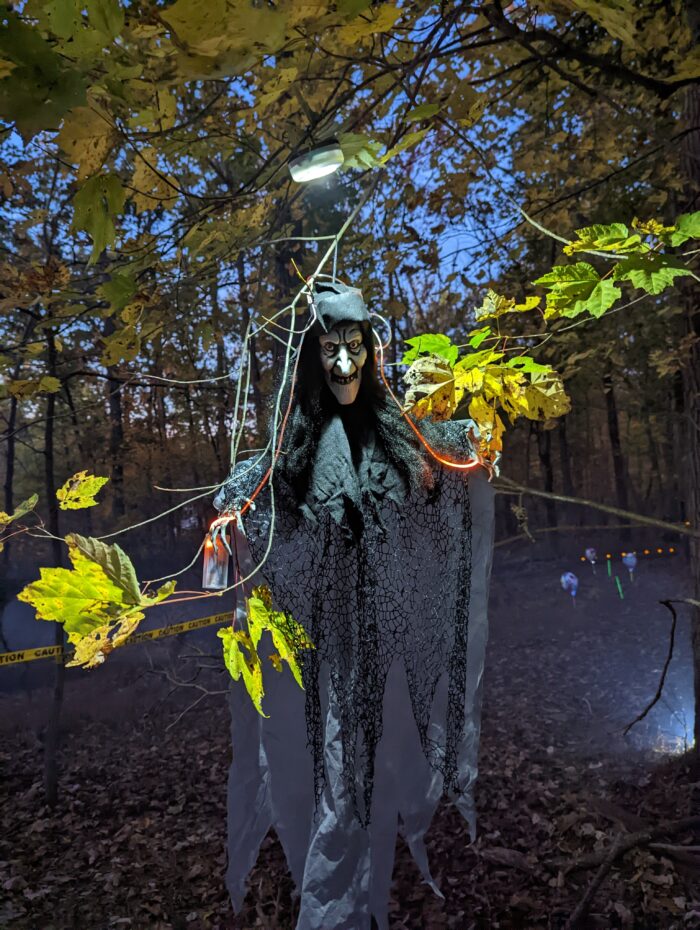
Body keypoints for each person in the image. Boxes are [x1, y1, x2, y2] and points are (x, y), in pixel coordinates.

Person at [211, 280, 494, 930]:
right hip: (324, 647)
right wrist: (236, 498)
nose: (343, 363)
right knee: (329, 784)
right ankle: (332, 907)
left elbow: (434, 453)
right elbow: (265, 481)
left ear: (372, 352)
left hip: (385, 641)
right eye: (330, 349)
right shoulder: (300, 441)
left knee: (360, 787)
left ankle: (347, 903)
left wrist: (472, 444)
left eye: (354, 347)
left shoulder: (395, 432)